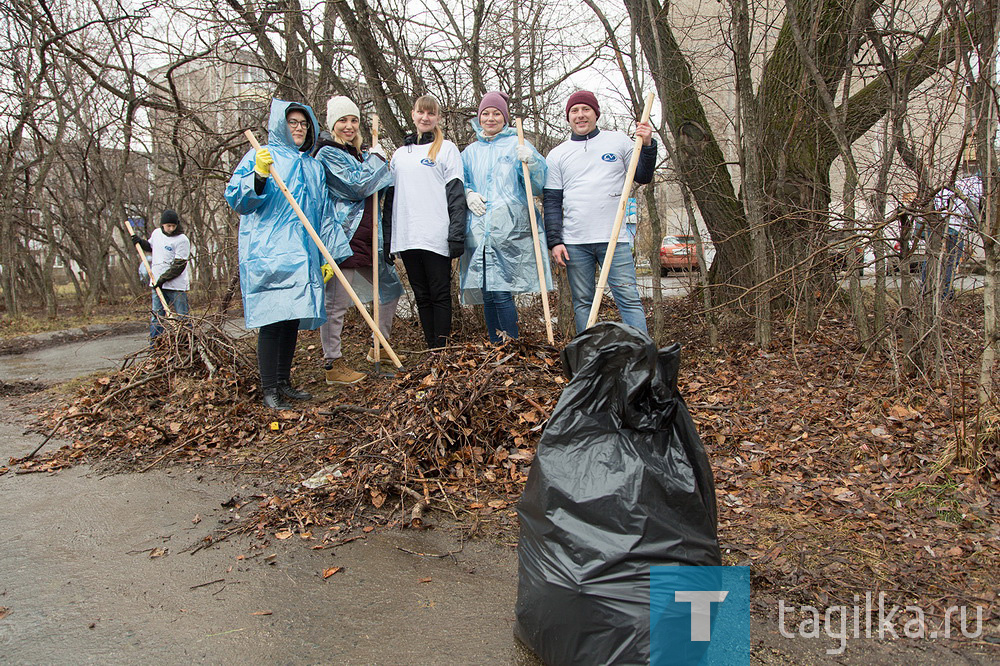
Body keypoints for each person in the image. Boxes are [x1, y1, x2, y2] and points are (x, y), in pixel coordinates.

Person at [225, 99, 351, 410]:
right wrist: (258, 174)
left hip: (304, 254)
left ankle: (283, 381)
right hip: (269, 252)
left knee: (291, 320)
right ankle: (269, 388)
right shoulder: (260, 156)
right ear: (281, 125)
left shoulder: (312, 166)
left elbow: (323, 214)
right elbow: (239, 201)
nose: (298, 128)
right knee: (273, 320)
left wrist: (328, 257)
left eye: (303, 123)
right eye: (292, 122)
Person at [543, 90, 657, 335]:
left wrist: (647, 145)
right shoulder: (557, 154)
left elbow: (643, 176)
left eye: (586, 109)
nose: (580, 115)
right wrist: (555, 241)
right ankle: (589, 356)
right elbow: (552, 201)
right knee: (583, 302)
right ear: (568, 117)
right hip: (575, 242)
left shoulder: (618, 141)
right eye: (575, 111)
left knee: (628, 297)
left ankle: (641, 356)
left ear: (596, 113)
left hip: (614, 239)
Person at [313, 95, 402, 384]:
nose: (349, 126)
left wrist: (373, 161)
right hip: (344, 237)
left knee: (390, 288)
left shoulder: (361, 154)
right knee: (336, 302)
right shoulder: (326, 154)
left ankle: (379, 346)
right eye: (343, 121)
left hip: (370, 237)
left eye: (353, 120)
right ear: (332, 124)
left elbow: (383, 183)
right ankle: (333, 364)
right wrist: (376, 161)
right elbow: (356, 186)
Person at [460, 91, 550, 343]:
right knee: (488, 293)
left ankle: (510, 344)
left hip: (510, 229)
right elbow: (461, 180)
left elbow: (539, 184)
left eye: (496, 113)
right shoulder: (469, 152)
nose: (490, 118)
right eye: (486, 113)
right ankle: (496, 344)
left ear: (505, 117)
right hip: (479, 230)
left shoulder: (517, 144)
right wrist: (468, 193)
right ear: (479, 117)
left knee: (501, 292)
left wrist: (532, 163)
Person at [383, 95, 467, 349]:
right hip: (408, 236)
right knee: (421, 295)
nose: (425, 117)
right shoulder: (400, 154)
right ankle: (431, 346)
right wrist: (388, 239)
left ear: (437, 118)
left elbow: (456, 194)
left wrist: (456, 233)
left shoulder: (447, 149)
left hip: (436, 235)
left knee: (440, 294)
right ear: (413, 114)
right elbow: (390, 199)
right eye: (421, 112)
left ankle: (441, 350)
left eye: (431, 114)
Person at [130, 210, 190, 340]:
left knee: (183, 317)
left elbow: (179, 265)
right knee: (156, 317)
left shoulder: (182, 240)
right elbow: (151, 247)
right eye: (168, 226)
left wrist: (163, 279)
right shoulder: (157, 234)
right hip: (157, 285)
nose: (171, 228)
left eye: (173, 226)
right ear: (162, 225)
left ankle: (188, 344)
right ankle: (155, 346)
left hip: (176, 286)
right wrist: (139, 242)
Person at [927, 166, 983, 299]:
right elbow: (978, 214)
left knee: (932, 259)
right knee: (951, 260)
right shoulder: (982, 188)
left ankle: (927, 292)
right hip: (952, 225)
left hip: (932, 220)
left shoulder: (964, 182)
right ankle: (944, 294)